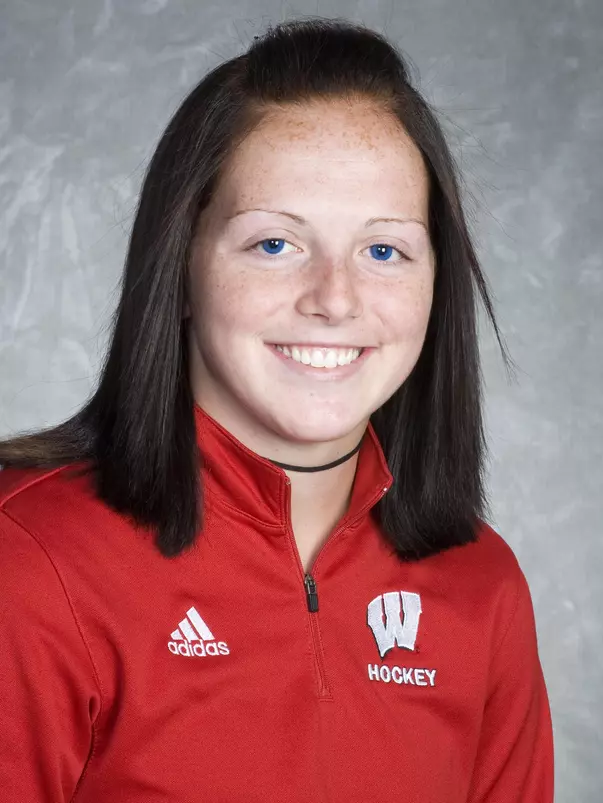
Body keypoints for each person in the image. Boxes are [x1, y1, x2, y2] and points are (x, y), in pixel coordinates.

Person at [0, 17, 554, 802]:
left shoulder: (481, 586)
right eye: (273, 244)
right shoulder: (27, 563)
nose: (333, 298)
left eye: (383, 250)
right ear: (180, 263)